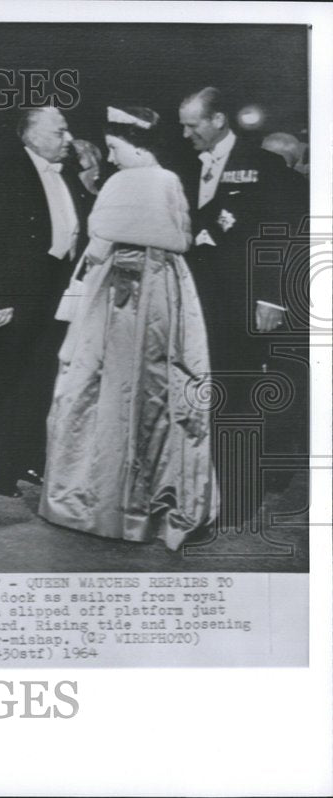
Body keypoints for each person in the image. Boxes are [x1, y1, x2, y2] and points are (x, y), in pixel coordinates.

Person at [40, 106, 216, 551]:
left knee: (100, 387)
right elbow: (181, 234)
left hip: (120, 293)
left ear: (136, 146)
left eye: (115, 148)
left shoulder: (127, 183)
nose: (112, 158)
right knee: (155, 388)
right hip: (165, 293)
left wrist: (75, 308)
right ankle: (147, 503)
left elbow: (99, 245)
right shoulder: (171, 181)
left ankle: (101, 502)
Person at [0, 107, 93, 498]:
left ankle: (29, 457)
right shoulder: (5, 174)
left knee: (41, 379)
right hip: (16, 296)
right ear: (33, 135)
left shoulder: (68, 175)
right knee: (5, 380)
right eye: (60, 131)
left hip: (56, 290)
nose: (68, 137)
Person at [177, 87, 300, 373]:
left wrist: (272, 297)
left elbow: (281, 234)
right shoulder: (184, 164)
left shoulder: (263, 165)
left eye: (192, 126)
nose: (185, 134)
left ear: (218, 119)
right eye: (182, 126)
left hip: (244, 297)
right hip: (198, 293)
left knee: (240, 379)